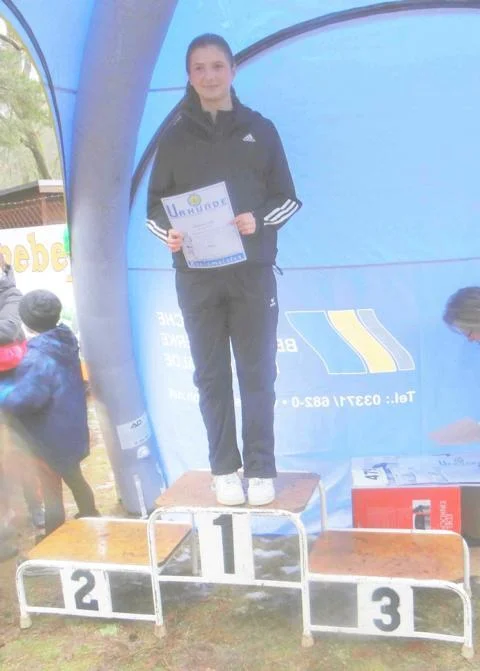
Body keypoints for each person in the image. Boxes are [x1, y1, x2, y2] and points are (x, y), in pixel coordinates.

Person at [147, 34, 301, 506]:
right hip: (197, 278)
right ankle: (223, 469)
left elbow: (288, 199)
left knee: (258, 373)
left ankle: (261, 468)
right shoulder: (173, 137)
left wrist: (258, 220)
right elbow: (155, 209)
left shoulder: (261, 130)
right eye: (199, 68)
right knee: (210, 375)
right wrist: (169, 233)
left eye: (217, 66)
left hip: (252, 275)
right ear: (189, 76)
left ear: (233, 70)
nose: (209, 75)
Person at [0, 289, 99, 537]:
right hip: (71, 430)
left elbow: (24, 400)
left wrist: (3, 391)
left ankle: (52, 540)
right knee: (75, 478)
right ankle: (90, 514)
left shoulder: (36, 359)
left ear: (26, 322)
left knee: (51, 492)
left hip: (47, 440)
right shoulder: (66, 340)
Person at [0, 252, 45, 531]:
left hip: (12, 386)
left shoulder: (11, 294)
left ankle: (36, 507)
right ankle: (6, 517)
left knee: (22, 450)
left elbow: (7, 329)